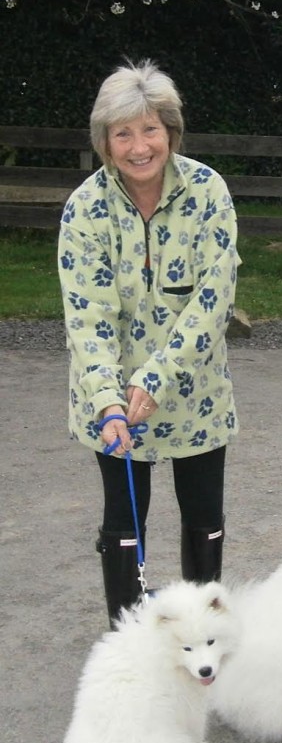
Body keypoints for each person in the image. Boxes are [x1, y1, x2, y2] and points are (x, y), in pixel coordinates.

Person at [57, 59, 241, 628]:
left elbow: (213, 301)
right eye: (123, 134)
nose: (139, 147)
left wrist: (157, 378)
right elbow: (87, 316)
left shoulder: (209, 191)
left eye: (150, 129)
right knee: (124, 520)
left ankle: (203, 635)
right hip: (112, 400)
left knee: (204, 515)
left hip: (195, 393)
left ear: (171, 131)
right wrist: (108, 398)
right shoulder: (85, 207)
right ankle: (129, 641)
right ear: (105, 142)